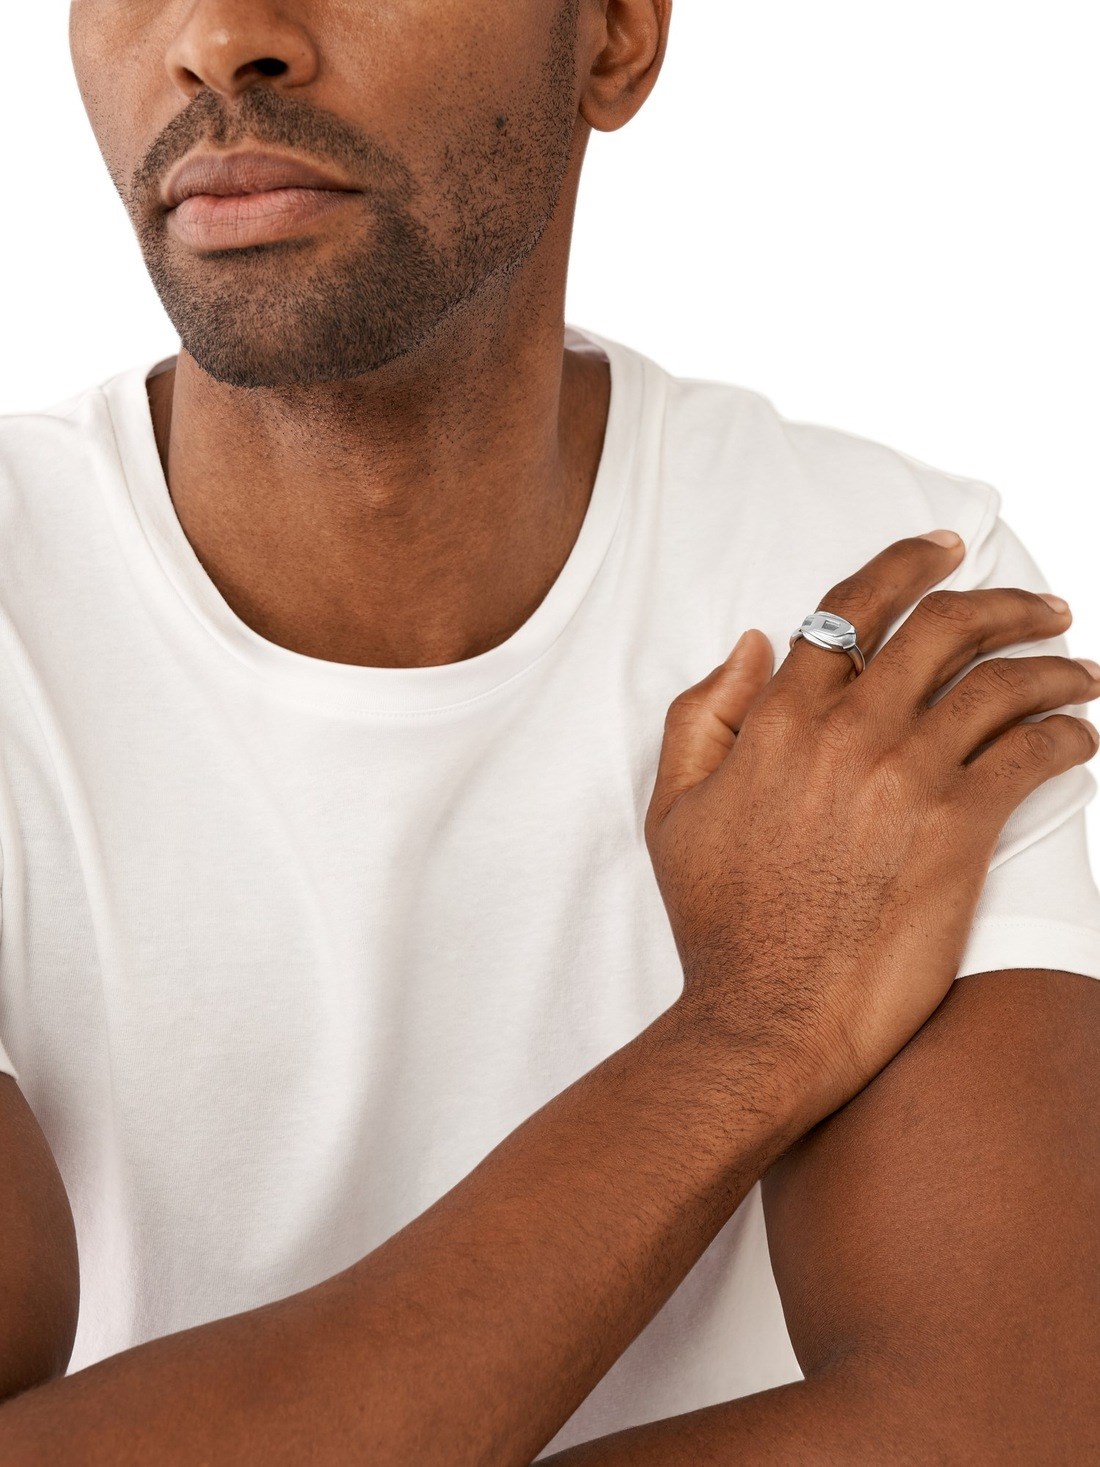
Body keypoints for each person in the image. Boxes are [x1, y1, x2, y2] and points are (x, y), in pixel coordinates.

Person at [0, 0, 1096, 1460]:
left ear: (615, 41)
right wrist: (749, 1034)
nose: (218, 35)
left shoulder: (872, 587)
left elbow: (996, 1425)